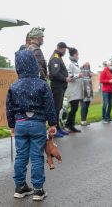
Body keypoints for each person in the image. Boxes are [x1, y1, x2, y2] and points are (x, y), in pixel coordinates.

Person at [6, 50, 57, 201]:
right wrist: (52, 123)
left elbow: (8, 107)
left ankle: (20, 187)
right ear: (34, 65)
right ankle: (38, 190)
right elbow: (49, 105)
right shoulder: (42, 84)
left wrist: (12, 125)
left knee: (21, 155)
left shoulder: (14, 86)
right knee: (36, 157)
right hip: (37, 124)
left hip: (20, 124)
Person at [48, 42, 71, 137]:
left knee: (58, 108)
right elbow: (54, 73)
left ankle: (58, 128)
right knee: (56, 109)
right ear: (60, 48)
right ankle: (55, 130)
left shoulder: (58, 57)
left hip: (60, 87)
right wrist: (65, 78)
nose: (65, 52)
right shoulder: (55, 58)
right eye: (64, 50)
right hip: (57, 87)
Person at [65, 48, 83, 133]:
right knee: (74, 108)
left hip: (77, 90)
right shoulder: (70, 64)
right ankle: (69, 125)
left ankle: (71, 125)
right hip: (73, 91)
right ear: (74, 55)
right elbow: (69, 76)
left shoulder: (75, 64)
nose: (78, 56)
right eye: (77, 54)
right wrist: (78, 75)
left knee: (75, 108)